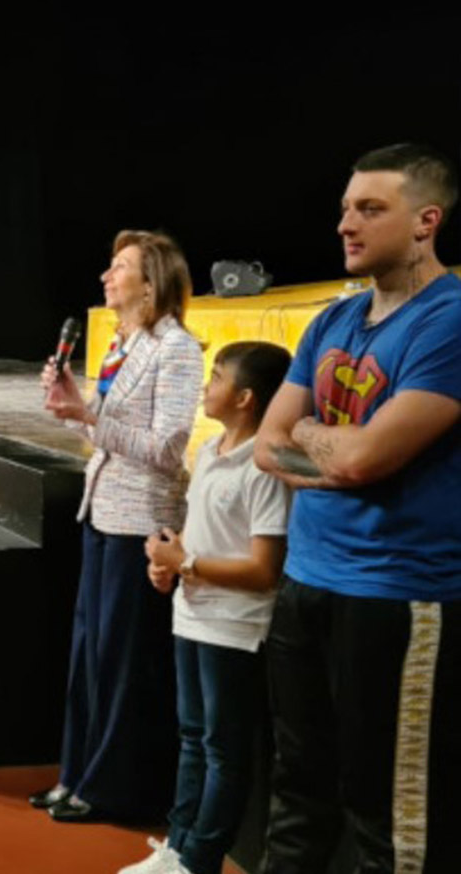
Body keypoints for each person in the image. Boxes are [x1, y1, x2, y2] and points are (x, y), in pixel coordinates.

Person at [254, 143, 461, 872]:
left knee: (387, 815)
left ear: (426, 222)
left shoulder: (449, 320)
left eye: (371, 209)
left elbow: (368, 458)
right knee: (297, 792)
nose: (347, 224)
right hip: (307, 581)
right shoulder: (332, 322)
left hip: (396, 596)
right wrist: (334, 449)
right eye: (346, 208)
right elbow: (267, 445)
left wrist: (315, 437)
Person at [31, 230, 204, 823]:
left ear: (150, 284)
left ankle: (109, 787)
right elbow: (104, 436)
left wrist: (88, 415)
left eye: (120, 267)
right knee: (88, 654)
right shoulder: (121, 344)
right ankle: (75, 774)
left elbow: (167, 448)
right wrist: (72, 406)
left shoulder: (176, 349)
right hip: (101, 512)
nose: (106, 276)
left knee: (120, 662)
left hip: (141, 522)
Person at [119, 342, 292, 874]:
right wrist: (168, 564)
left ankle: (199, 860)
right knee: (193, 739)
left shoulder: (264, 466)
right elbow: (201, 537)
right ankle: (176, 849)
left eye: (216, 377)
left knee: (223, 750)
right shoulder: (211, 450)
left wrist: (187, 562)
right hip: (192, 615)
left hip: (234, 626)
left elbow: (264, 569)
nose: (205, 385)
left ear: (244, 398)